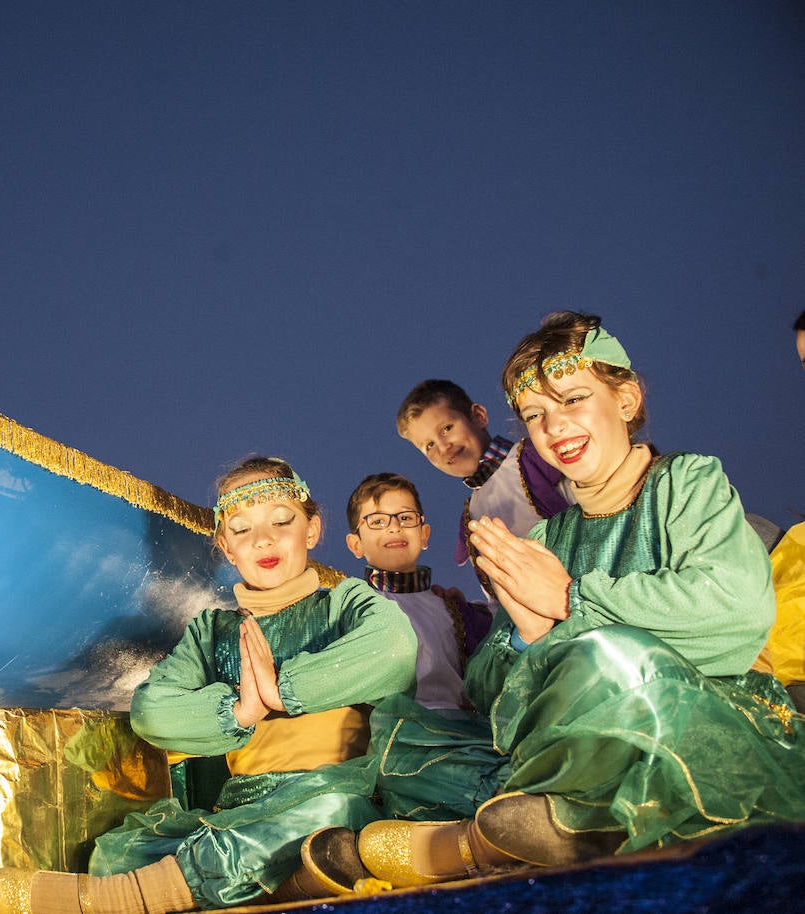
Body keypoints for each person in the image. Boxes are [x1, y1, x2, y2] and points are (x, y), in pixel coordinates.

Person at [307, 312, 805, 888]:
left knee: (606, 660)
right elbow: (489, 687)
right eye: (536, 415)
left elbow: (738, 611)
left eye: (572, 400)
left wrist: (570, 600)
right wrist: (525, 632)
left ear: (626, 398)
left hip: (693, 716)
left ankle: (487, 839)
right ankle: (555, 819)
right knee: (403, 734)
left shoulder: (686, 483)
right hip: (563, 734)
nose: (554, 427)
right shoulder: (546, 537)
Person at [0, 457, 417, 913]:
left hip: (329, 792)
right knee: (119, 851)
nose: (263, 539)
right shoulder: (212, 631)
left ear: (312, 530)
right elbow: (152, 710)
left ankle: (122, 900)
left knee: (329, 818)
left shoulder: (344, 603)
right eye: (242, 530)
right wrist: (240, 712)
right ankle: (291, 884)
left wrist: (283, 690)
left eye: (282, 521)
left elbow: (395, 649)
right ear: (227, 549)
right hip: (239, 806)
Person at [395, 379, 569, 598]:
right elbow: (496, 598)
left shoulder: (535, 455)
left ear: (478, 416)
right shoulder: (472, 515)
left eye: (447, 428)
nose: (443, 447)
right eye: (429, 445)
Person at [345, 472, 490, 711]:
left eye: (405, 517)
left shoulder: (454, 610)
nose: (394, 527)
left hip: (465, 732)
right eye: (378, 521)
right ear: (355, 544)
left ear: (424, 535)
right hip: (393, 732)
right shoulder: (352, 609)